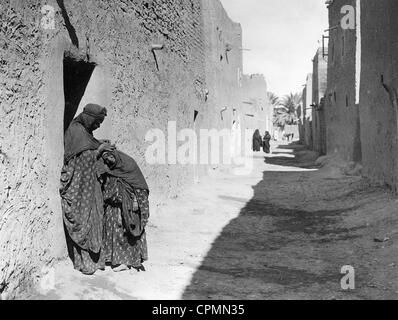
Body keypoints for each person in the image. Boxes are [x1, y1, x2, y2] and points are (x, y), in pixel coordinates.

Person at [60, 103, 113, 275]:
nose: (97, 126)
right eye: (97, 122)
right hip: (80, 187)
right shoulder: (76, 131)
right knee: (84, 219)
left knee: (96, 216)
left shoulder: (85, 133)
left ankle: (96, 260)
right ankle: (85, 263)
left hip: (91, 185)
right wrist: (99, 150)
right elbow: (84, 158)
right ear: (89, 117)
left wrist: (99, 144)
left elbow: (89, 146)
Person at [101, 149, 150, 272]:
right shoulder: (111, 167)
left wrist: (135, 201)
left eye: (110, 157)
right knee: (116, 231)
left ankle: (129, 261)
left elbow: (139, 185)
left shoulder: (128, 165)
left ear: (116, 155)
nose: (108, 160)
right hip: (114, 205)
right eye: (105, 158)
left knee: (127, 231)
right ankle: (117, 259)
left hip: (129, 206)